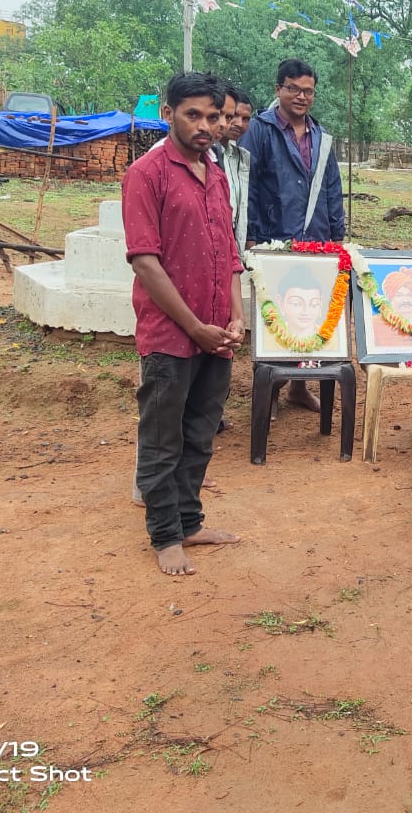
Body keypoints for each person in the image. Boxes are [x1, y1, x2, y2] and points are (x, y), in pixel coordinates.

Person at [121, 72, 244, 576]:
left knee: (200, 434)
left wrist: (236, 314)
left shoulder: (216, 173)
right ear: (167, 113)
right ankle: (165, 534)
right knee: (162, 438)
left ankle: (190, 521)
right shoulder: (146, 174)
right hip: (172, 335)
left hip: (218, 334)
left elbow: (230, 253)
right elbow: (145, 261)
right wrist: (194, 326)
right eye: (193, 115)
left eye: (213, 117)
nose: (205, 126)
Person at [239, 60, 345, 411]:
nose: (301, 96)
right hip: (273, 239)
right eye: (293, 89)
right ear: (278, 90)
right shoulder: (260, 130)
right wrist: (252, 235)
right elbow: (248, 185)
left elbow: (332, 188)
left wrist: (337, 237)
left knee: (309, 312)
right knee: (276, 311)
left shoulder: (322, 136)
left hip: (315, 240)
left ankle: (299, 388)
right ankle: (268, 387)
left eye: (308, 91)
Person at [220, 85, 252, 257]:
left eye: (246, 119)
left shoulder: (240, 158)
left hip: (230, 244)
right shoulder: (205, 156)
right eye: (233, 116)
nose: (239, 123)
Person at [370, 266, 412, 348]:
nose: (405, 300)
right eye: (399, 295)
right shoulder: (374, 324)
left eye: (410, 295)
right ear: (390, 298)